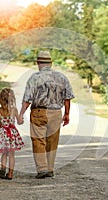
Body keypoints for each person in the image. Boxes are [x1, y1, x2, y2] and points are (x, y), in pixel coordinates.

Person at [19, 50, 75, 179]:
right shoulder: (61, 77)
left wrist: (21, 113)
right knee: (52, 141)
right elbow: (67, 97)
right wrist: (67, 114)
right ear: (50, 63)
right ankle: (50, 168)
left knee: (39, 140)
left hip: (39, 111)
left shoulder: (34, 77)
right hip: (56, 113)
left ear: (38, 63)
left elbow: (27, 98)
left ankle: (42, 168)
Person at [0, 88, 24, 180]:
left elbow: (0, 124)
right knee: (11, 155)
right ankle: (10, 173)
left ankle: (3, 168)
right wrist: (21, 120)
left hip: (3, 133)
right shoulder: (14, 110)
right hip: (11, 134)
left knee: (4, 153)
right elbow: (19, 122)